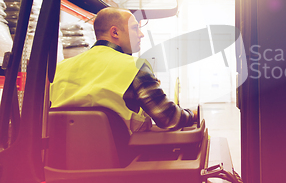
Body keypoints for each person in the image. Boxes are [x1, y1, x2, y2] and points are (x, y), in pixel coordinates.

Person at [50, 7, 197, 132]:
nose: (141, 34)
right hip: (121, 159)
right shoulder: (134, 66)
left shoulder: (60, 68)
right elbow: (169, 118)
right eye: (135, 28)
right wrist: (193, 114)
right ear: (115, 33)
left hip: (62, 160)